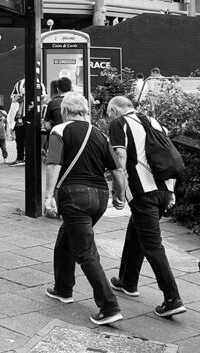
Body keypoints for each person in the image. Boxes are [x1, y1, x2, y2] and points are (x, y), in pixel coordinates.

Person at [43, 92, 128, 326]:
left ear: (64, 112)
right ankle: (63, 288)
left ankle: (109, 305)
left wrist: (49, 195)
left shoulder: (59, 131)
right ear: (85, 111)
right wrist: (119, 195)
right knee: (65, 238)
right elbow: (117, 170)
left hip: (74, 196)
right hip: (99, 198)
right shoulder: (100, 134)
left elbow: (53, 163)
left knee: (85, 251)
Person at [107, 96, 187, 318]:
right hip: (164, 190)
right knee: (136, 232)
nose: (108, 118)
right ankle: (127, 281)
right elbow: (168, 155)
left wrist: (119, 191)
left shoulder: (118, 123)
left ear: (114, 110)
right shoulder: (153, 121)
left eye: (107, 113)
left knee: (152, 244)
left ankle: (172, 298)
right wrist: (170, 191)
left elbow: (120, 156)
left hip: (143, 193)